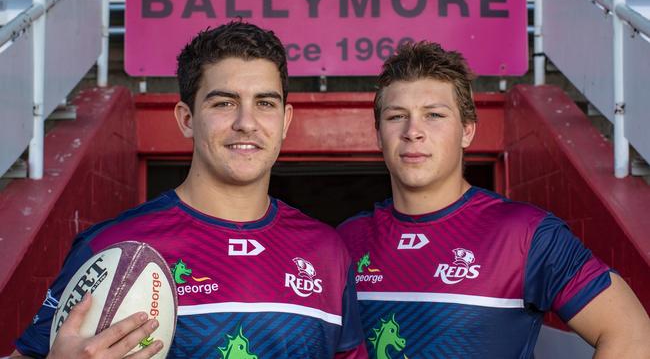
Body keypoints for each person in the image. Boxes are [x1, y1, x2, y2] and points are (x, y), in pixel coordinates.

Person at [12, 21, 367, 358]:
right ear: (186, 119)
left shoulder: (326, 251)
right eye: (223, 103)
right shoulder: (113, 248)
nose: (246, 123)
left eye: (265, 103)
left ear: (285, 120)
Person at [337, 41, 650, 358]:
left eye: (433, 114)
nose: (412, 131)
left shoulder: (527, 235)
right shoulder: (345, 241)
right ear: (378, 134)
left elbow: (632, 335)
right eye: (396, 116)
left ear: (467, 131)